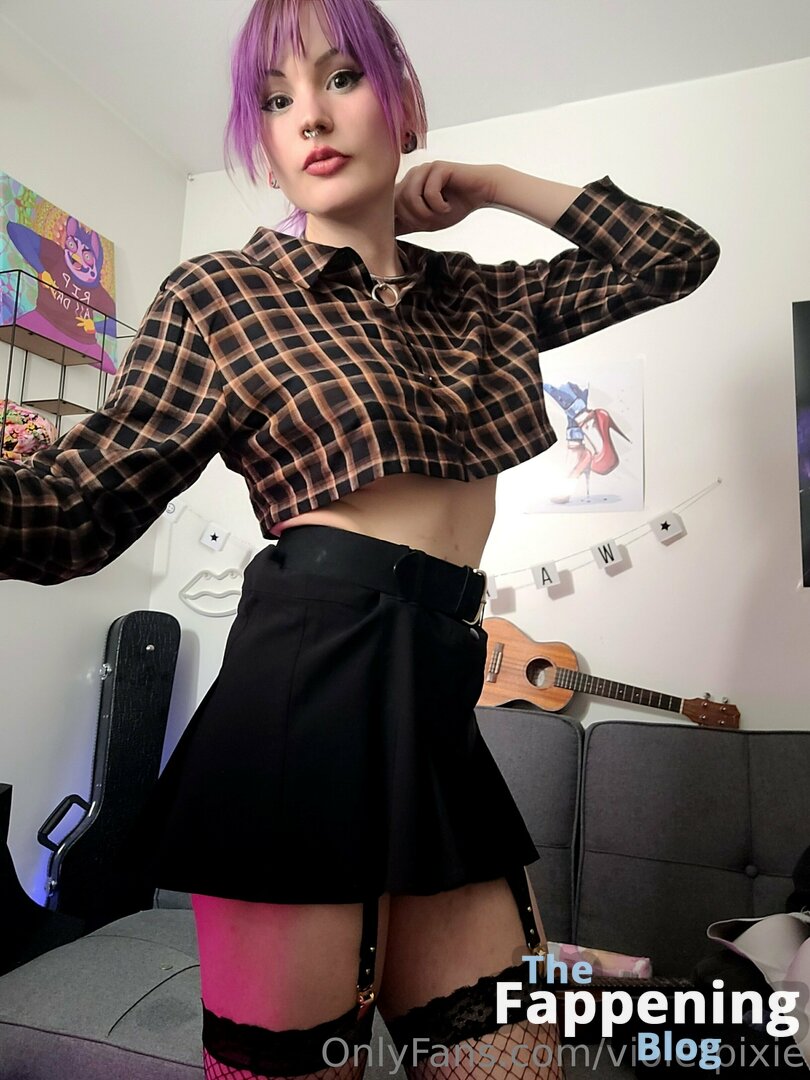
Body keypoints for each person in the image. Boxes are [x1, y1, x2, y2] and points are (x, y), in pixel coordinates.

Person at [0, 0, 721, 1076]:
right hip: (302, 695)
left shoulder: (481, 299)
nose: (309, 116)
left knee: (518, 1057)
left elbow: (675, 257)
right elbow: (73, 514)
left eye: (341, 78)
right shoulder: (223, 296)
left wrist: (492, 184)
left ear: (403, 104)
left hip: (437, 703)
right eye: (275, 99)